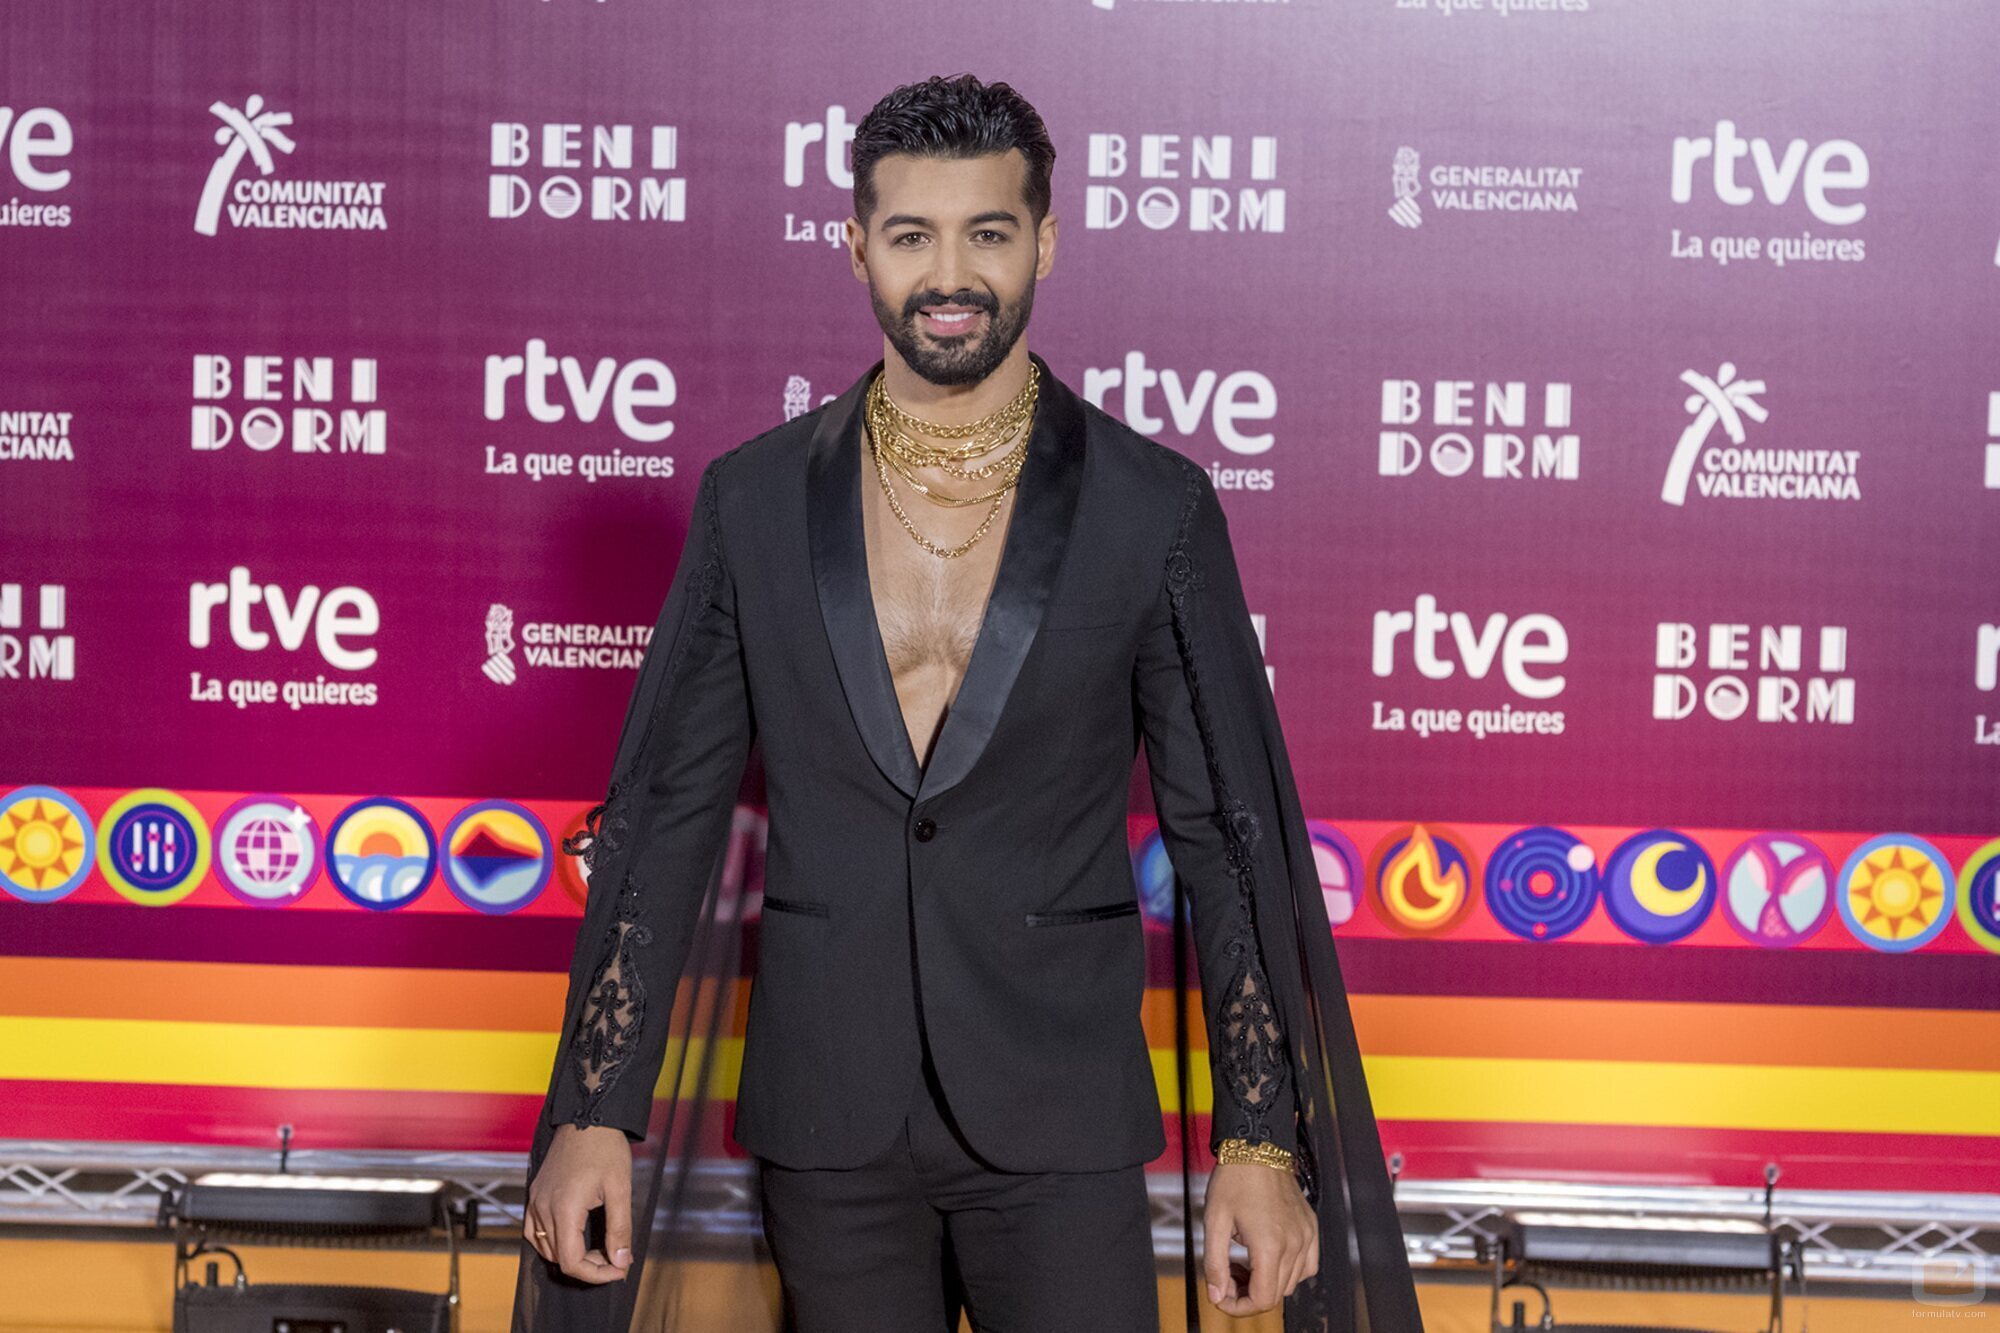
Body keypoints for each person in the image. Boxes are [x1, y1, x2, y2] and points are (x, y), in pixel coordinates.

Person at [512, 73, 1423, 1333]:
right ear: (855, 249)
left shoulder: (1152, 508)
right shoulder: (754, 502)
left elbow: (1227, 840)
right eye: (911, 236)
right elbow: (664, 820)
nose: (950, 274)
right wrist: (594, 1111)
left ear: (1044, 239)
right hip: (830, 1116)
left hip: (1059, 1114)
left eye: (987, 233)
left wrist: (1260, 1144)